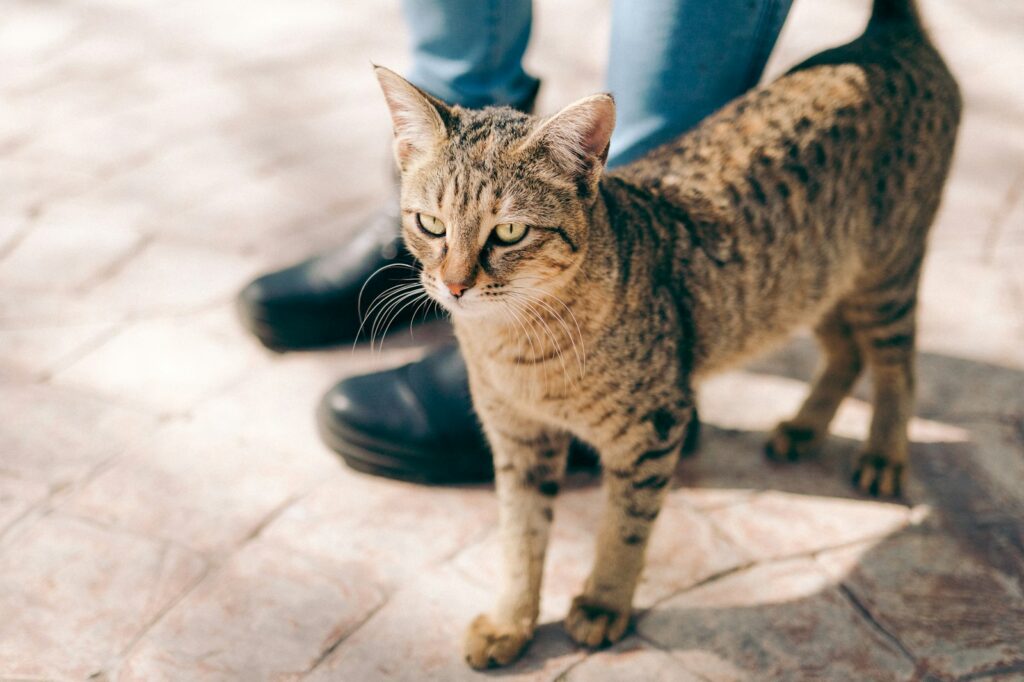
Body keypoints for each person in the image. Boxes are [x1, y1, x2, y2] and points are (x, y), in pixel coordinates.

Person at [237, 0, 794, 483]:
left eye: (503, 232)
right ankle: (446, 203)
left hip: (619, 308)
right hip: (471, 189)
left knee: (652, 148)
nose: (455, 277)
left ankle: (612, 368)